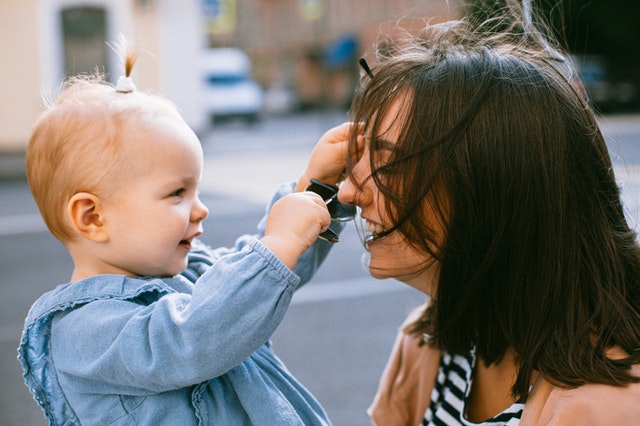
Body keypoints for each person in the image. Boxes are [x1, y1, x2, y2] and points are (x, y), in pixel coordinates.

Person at [336, 2, 640, 425]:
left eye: (388, 165)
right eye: (358, 158)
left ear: (493, 189)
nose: (348, 191)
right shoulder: (429, 341)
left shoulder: (610, 409)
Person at [18, 46, 351, 425]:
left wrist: (317, 188)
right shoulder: (83, 332)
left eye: (195, 191)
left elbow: (257, 275)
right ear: (93, 216)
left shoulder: (188, 275)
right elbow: (194, 336)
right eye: (177, 193)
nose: (200, 208)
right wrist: (279, 244)